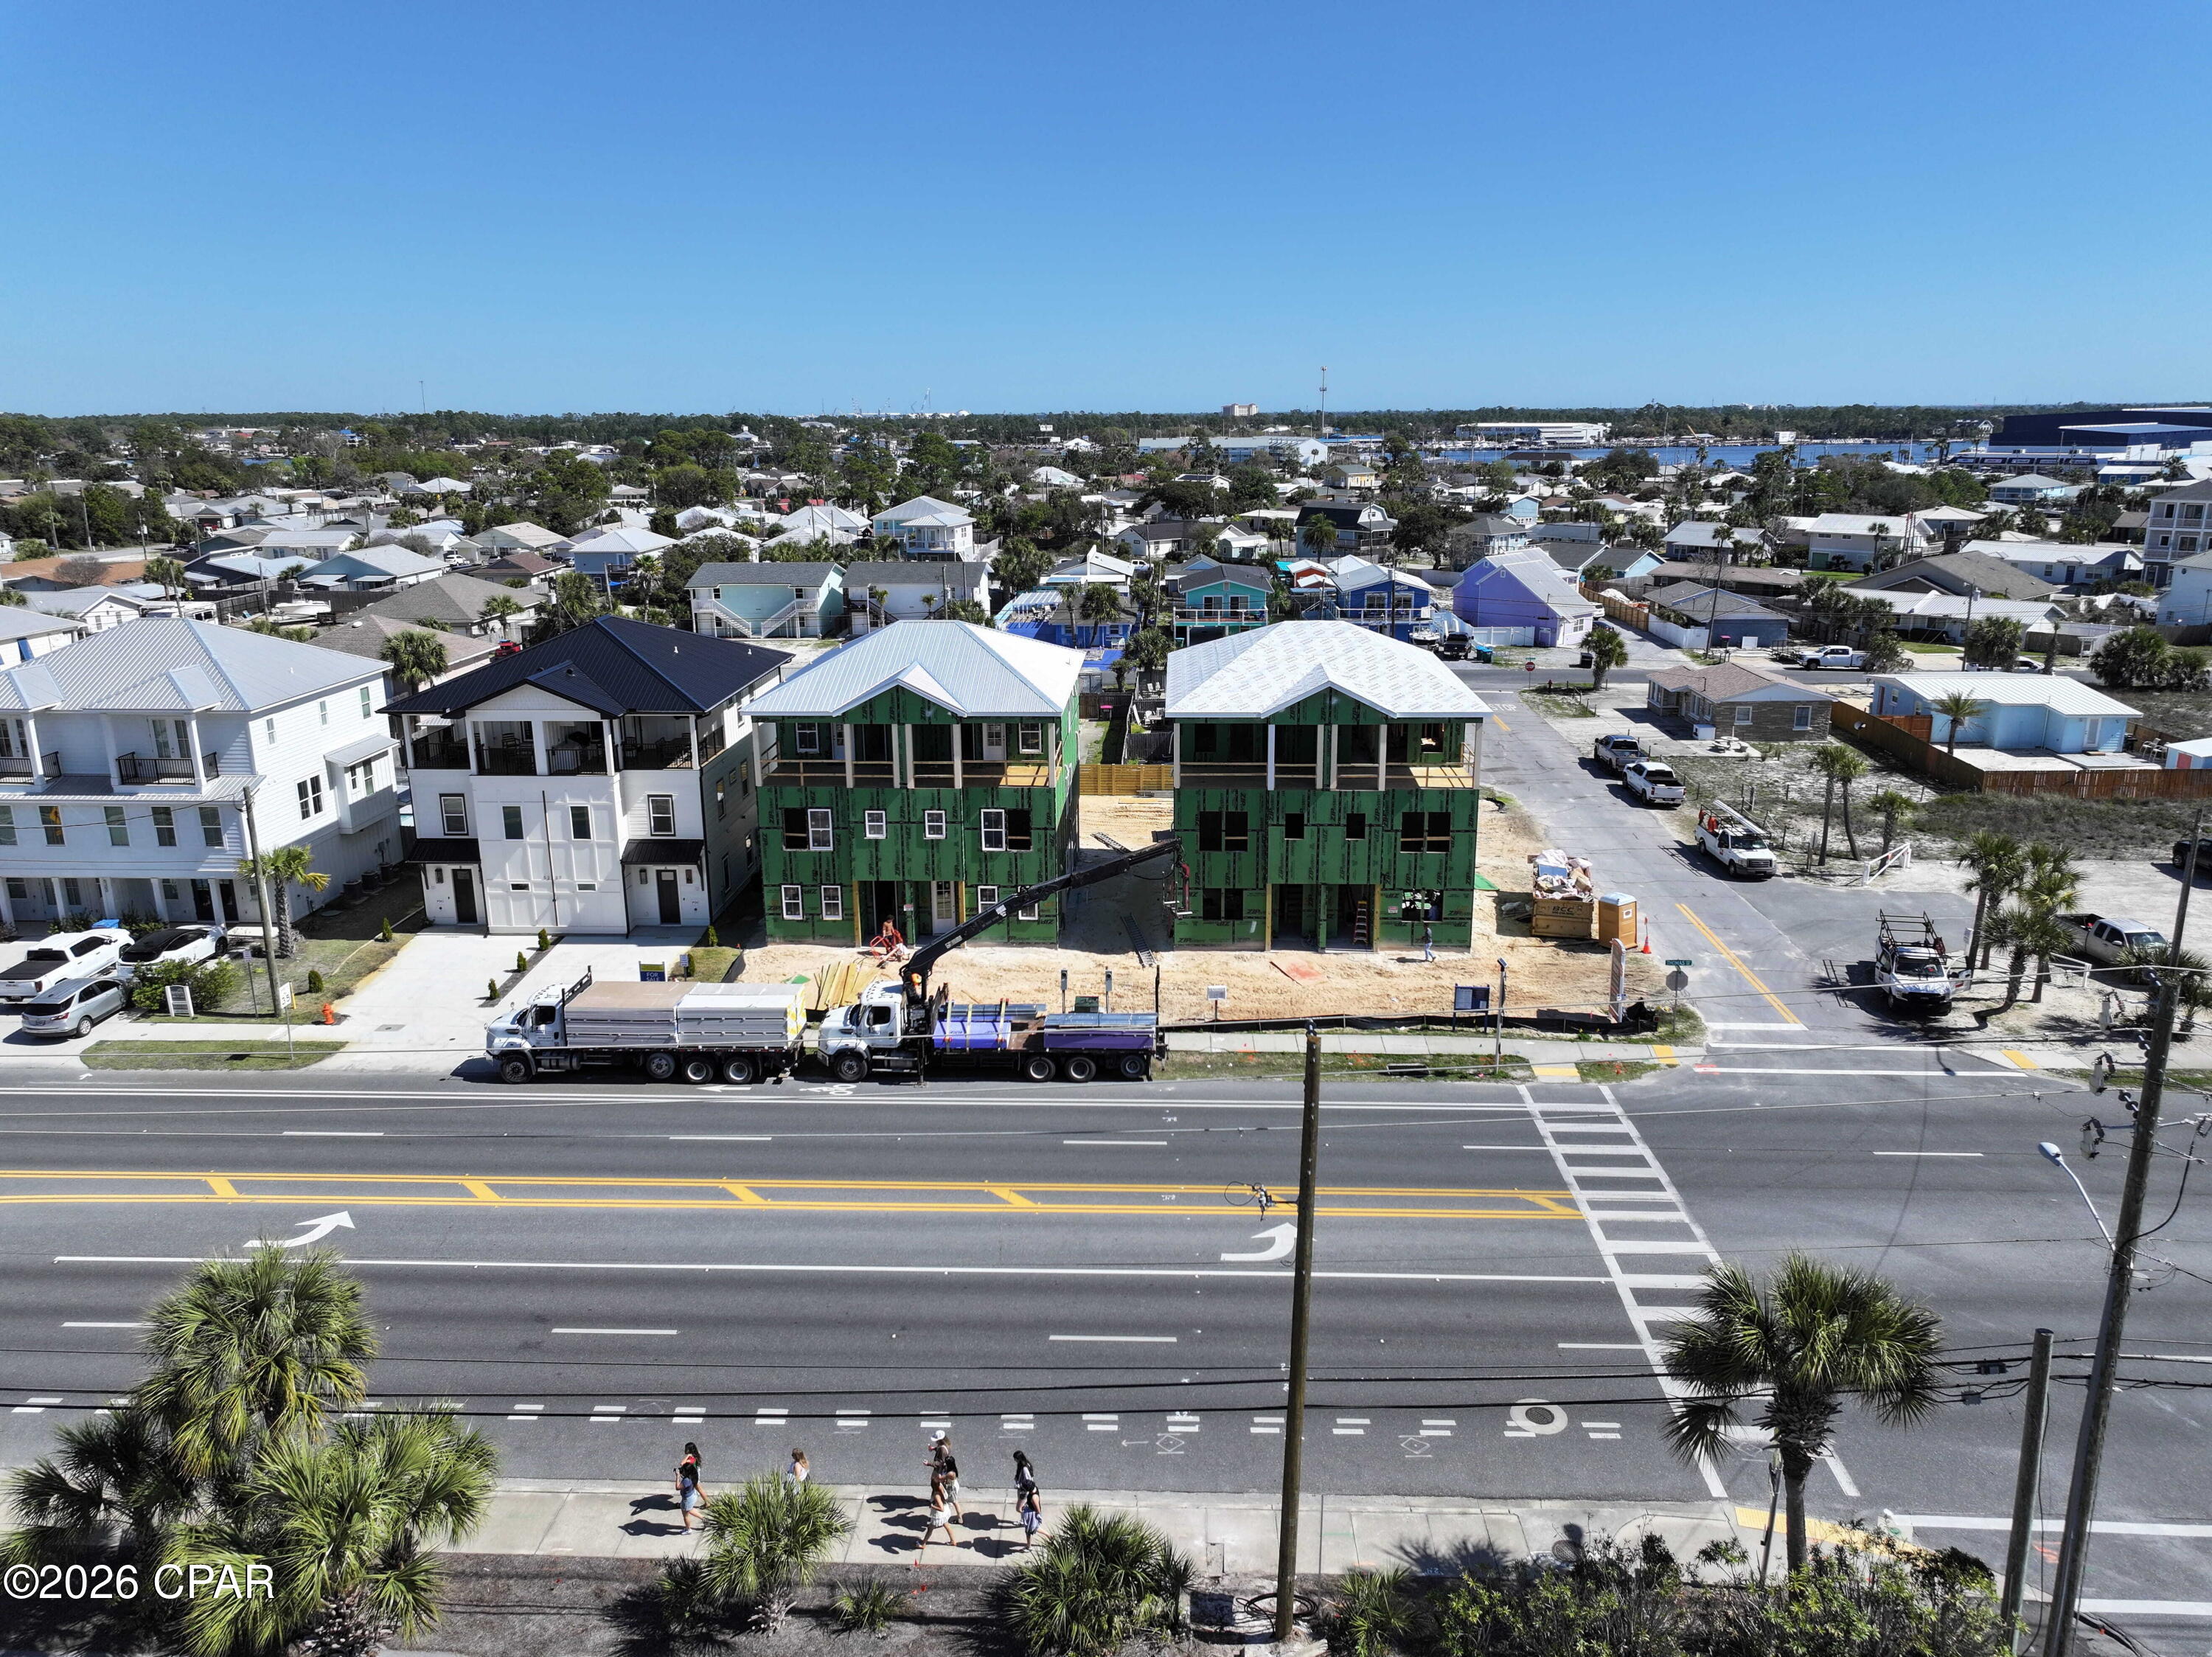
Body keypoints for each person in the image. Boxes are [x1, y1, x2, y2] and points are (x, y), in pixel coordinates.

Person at [915, 1471, 959, 1560]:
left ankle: (923, 1544)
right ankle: (953, 1541)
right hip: (945, 1510)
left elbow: (941, 1508)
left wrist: (932, 1506)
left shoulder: (936, 1494)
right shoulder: (941, 1486)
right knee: (946, 1525)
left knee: (930, 1528)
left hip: (939, 1514)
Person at [1012, 1451, 1044, 1551]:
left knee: (1030, 1529)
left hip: (1029, 1513)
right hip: (1029, 1512)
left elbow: (1038, 1509)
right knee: (1031, 1529)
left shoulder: (1033, 1496)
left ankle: (1029, 1547)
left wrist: (1038, 1516)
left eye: (1015, 1459)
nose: (1015, 1460)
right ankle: (1047, 1537)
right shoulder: (1034, 1490)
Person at [675, 1442, 705, 1532]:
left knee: (686, 1515)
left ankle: (688, 1529)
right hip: (692, 1494)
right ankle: (704, 1518)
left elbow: (678, 1487)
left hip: (688, 1498)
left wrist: (677, 1476)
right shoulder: (692, 1477)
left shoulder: (687, 1480)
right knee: (689, 1508)